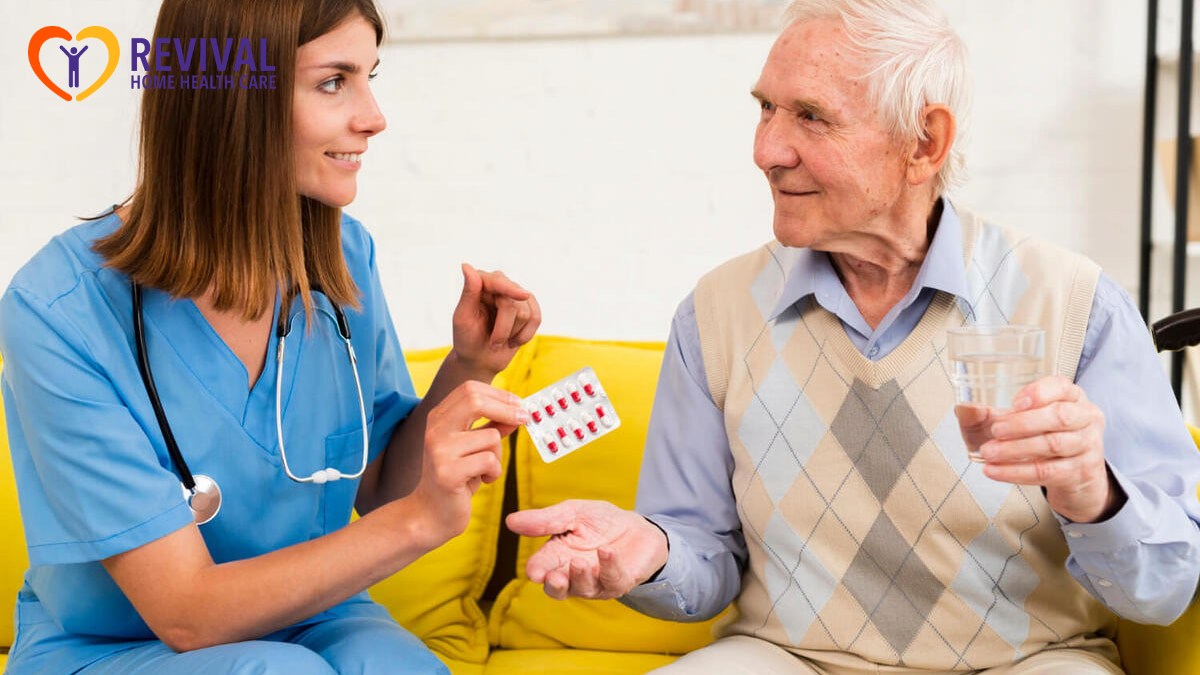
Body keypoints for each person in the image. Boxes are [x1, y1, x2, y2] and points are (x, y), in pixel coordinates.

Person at [506, 1, 1200, 673]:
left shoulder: (1076, 305)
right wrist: (649, 551)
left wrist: (1094, 493)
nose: (766, 150)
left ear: (924, 142)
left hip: (1025, 662)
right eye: (765, 108)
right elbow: (703, 557)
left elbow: (1166, 589)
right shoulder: (715, 313)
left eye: (811, 116)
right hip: (787, 658)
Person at [0, 0, 539, 672]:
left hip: (313, 617)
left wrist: (469, 367)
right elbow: (186, 612)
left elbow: (378, 482)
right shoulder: (59, 309)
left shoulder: (344, 256)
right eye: (333, 81)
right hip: (118, 644)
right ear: (233, 99)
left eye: (371, 75)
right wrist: (419, 523)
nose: (374, 116)